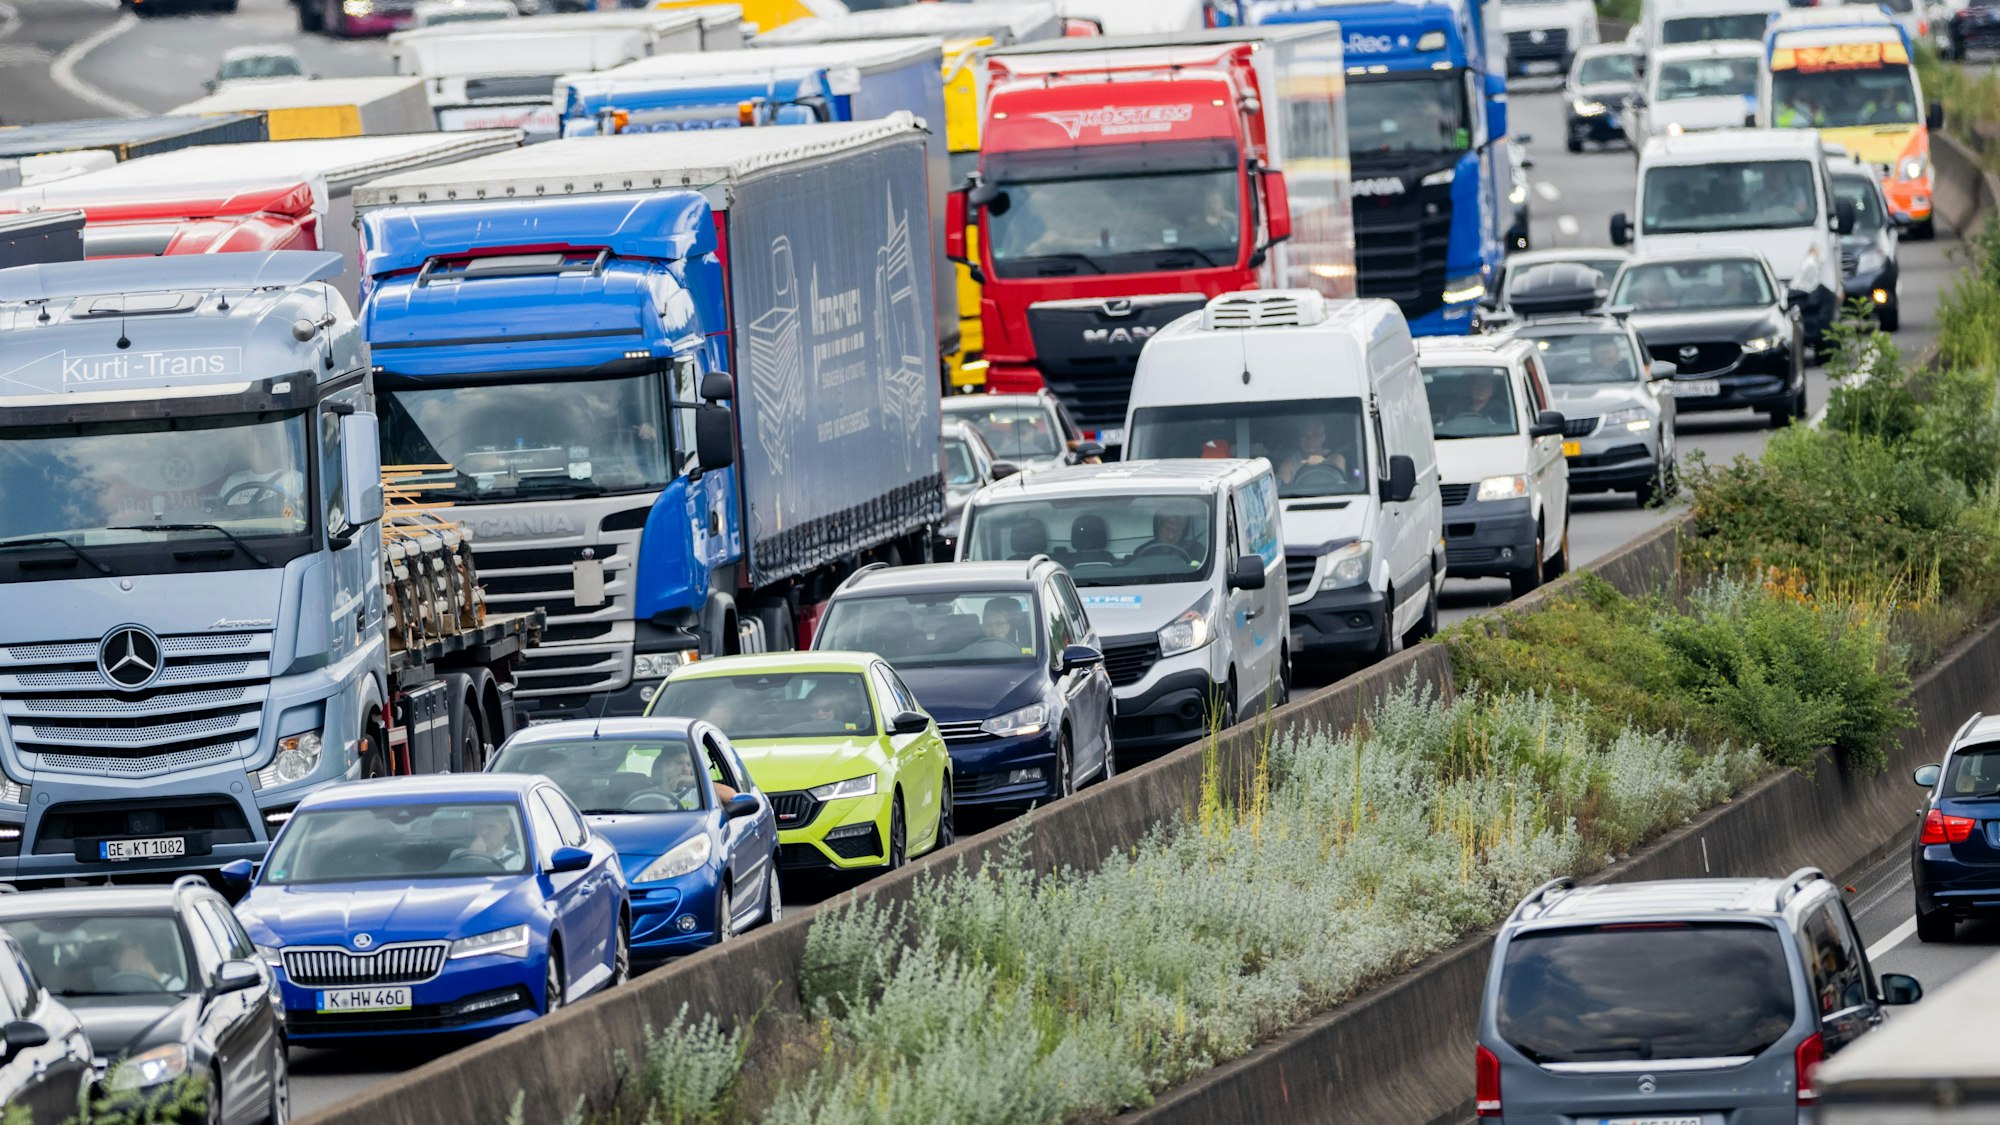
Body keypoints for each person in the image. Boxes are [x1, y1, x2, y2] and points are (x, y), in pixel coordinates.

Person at [1277, 419, 1349, 486]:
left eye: (1316, 436)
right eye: (1305, 435)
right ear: (1300, 438)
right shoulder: (1289, 464)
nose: (1310, 440)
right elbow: (1282, 490)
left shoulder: (1335, 458)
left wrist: (1323, 463)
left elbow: (1341, 486)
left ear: (1323, 437)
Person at [450, 807, 524, 870]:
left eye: (491, 827)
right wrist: (471, 857)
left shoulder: (516, 861)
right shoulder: (458, 855)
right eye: (479, 826)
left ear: (506, 829)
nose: (483, 831)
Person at [103, 934, 172, 992]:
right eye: (113, 952)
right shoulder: (115, 989)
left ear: (139, 949)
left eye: (120, 950)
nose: (115, 956)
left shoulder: (173, 986)